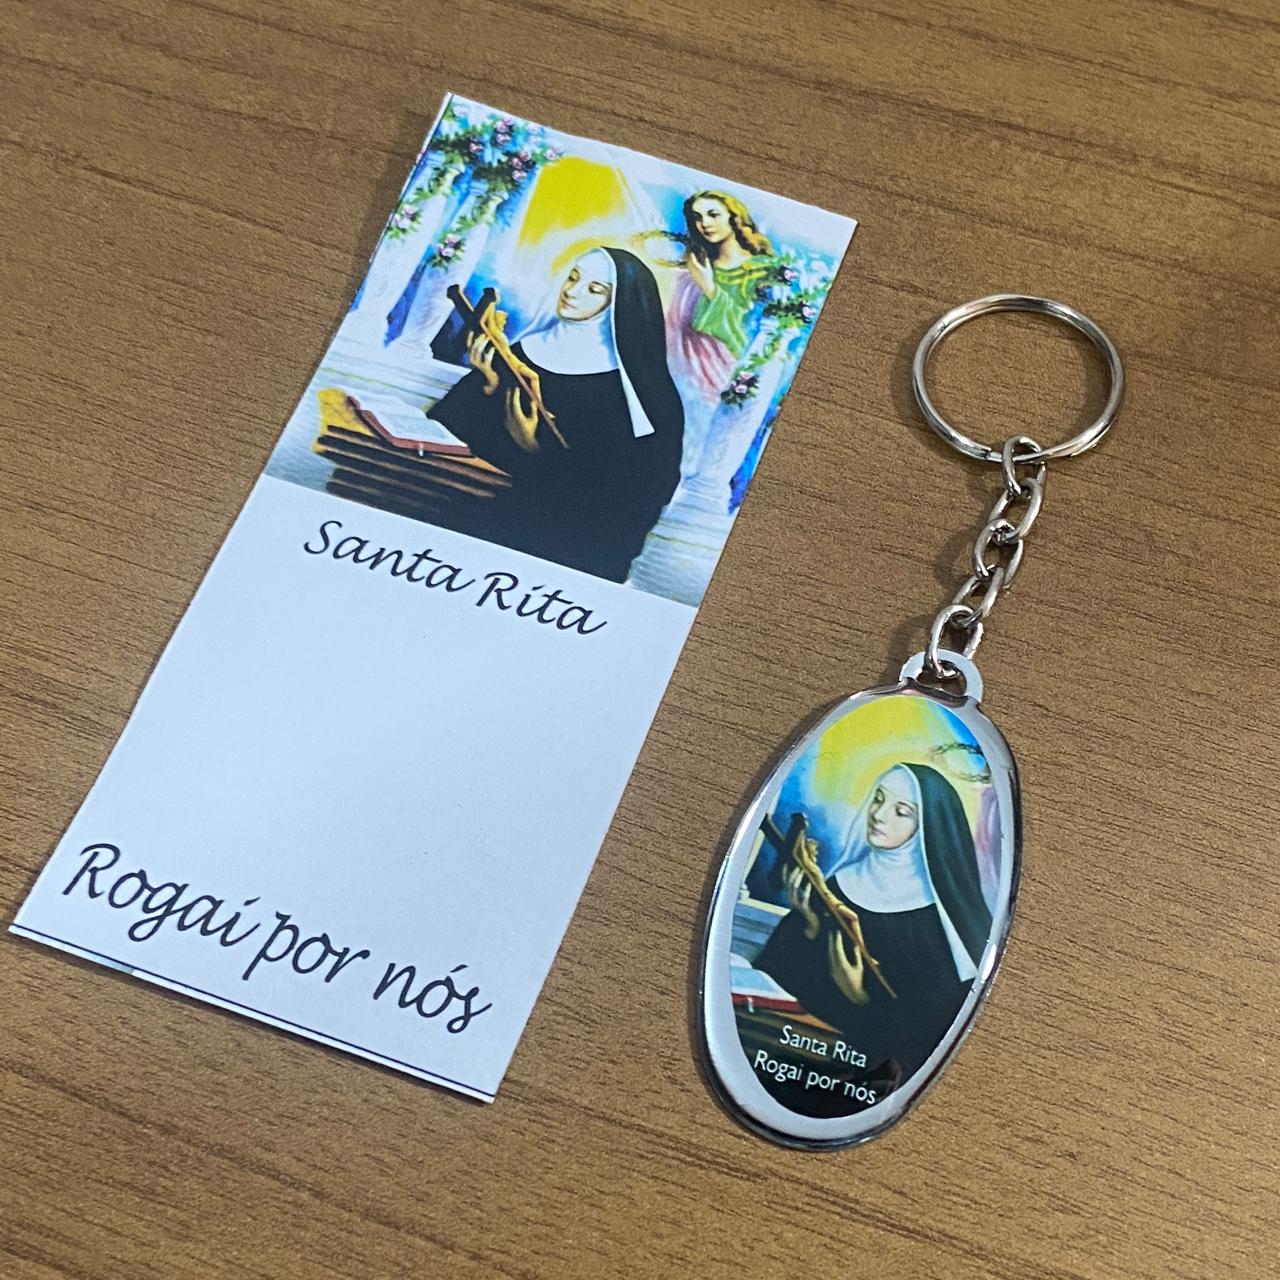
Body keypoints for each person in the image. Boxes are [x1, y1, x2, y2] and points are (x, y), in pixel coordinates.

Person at [426, 246, 684, 583]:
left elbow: (634, 494)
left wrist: (535, 448)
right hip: (484, 513)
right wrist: (487, 386)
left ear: (619, 305)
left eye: (594, 289)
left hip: (560, 550)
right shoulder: (525, 351)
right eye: (573, 277)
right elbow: (451, 427)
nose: (572, 292)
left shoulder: (646, 392)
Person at [755, 763, 993, 1086]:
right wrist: (808, 928)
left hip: (861, 1078)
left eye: (901, 811)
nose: (879, 815)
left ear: (926, 827)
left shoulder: (942, 921)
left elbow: (927, 1030)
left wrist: (858, 996)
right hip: (795, 1055)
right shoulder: (841, 884)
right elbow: (778, 971)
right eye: (878, 799)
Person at [666, 191, 775, 407]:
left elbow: (746, 333)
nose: (704, 223)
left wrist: (710, 288)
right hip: (683, 377)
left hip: (724, 378)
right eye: (697, 217)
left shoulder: (764, 271)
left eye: (713, 214)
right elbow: (673, 327)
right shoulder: (694, 269)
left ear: (734, 218)